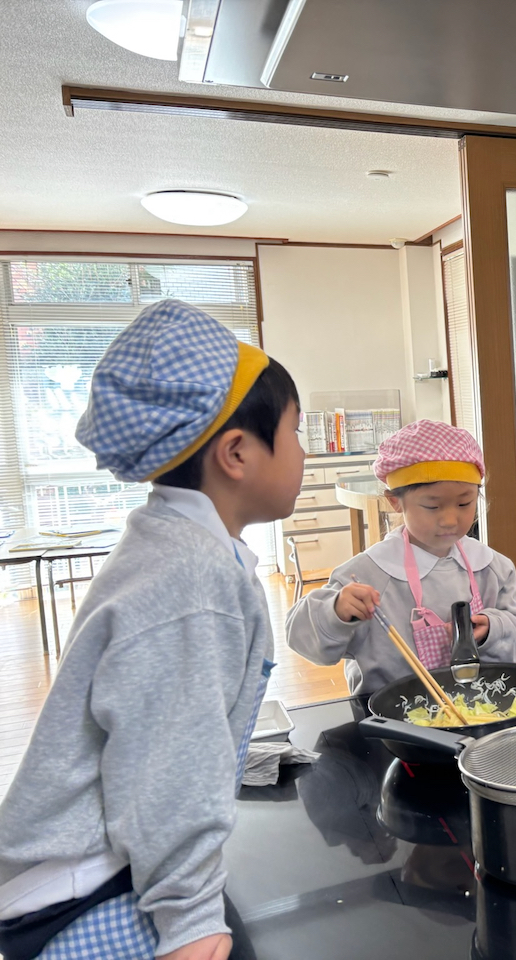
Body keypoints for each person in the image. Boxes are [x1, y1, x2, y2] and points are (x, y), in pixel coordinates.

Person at [0, 300, 305, 959]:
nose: (305, 453)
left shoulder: (177, 546)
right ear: (237, 453)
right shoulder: (191, 578)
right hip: (86, 890)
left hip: (110, 864)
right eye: (296, 432)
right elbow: (170, 761)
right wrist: (191, 916)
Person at [286, 419, 516, 695]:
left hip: (478, 707)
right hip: (387, 714)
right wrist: (335, 611)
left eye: (464, 503)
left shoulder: (491, 567)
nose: (450, 519)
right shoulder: (368, 574)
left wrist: (492, 629)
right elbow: (301, 638)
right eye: (432, 506)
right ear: (395, 501)